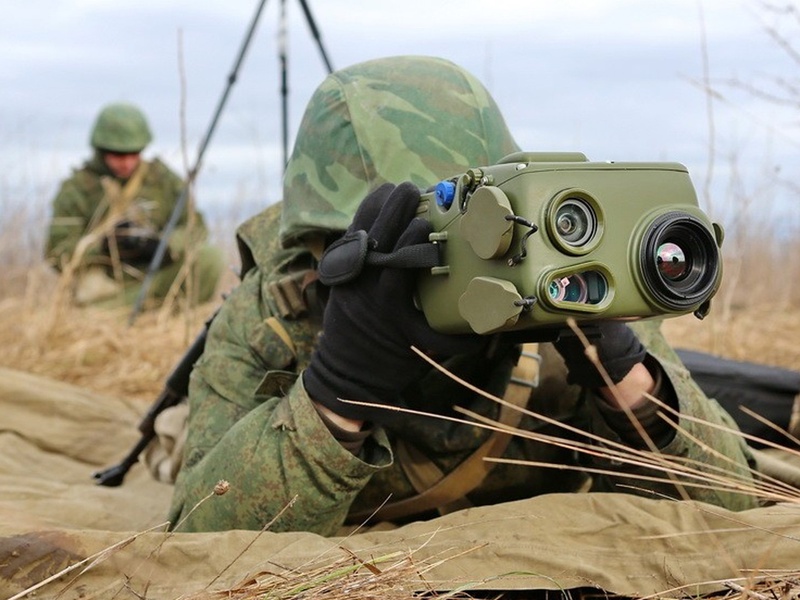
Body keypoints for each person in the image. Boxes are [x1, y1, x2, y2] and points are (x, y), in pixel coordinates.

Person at [166, 55, 759, 535]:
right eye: (403, 244)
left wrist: (626, 378)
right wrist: (335, 395)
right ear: (324, 249)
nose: (436, 262)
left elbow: (735, 510)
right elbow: (197, 537)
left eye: (469, 235)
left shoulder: (557, 279)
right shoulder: (275, 311)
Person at [45, 102, 224, 308]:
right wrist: (105, 247)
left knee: (210, 258)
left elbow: (196, 228)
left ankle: (167, 316)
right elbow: (56, 252)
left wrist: (165, 247)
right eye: (118, 155)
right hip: (107, 292)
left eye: (134, 153)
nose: (127, 163)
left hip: (156, 278)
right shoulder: (77, 189)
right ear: (101, 151)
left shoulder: (162, 181)